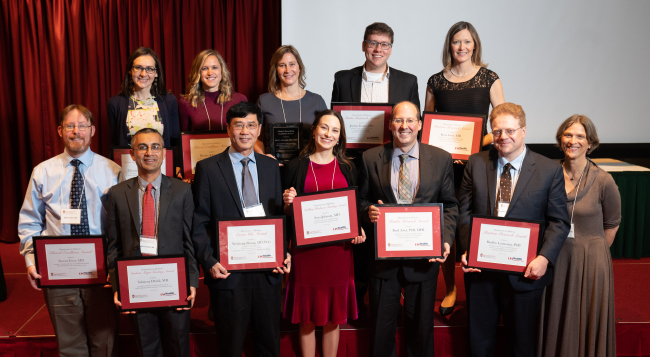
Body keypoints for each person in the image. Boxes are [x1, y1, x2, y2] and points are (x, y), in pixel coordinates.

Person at [458, 103, 570, 357]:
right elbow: (464, 212)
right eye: (497, 131)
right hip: (481, 272)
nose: (503, 137)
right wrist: (467, 248)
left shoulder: (549, 169)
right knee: (479, 344)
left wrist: (544, 258)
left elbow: (559, 221)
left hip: (525, 273)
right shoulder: (476, 163)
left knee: (521, 345)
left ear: (524, 131)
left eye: (510, 130)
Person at [18, 104, 121, 357]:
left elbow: (120, 225)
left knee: (104, 342)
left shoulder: (113, 171)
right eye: (70, 126)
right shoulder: (43, 172)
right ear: (60, 130)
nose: (77, 132)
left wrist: (116, 267)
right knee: (69, 344)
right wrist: (31, 261)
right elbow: (30, 221)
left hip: (101, 272)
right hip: (58, 271)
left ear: (93, 130)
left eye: (82, 126)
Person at [358, 101, 458, 356]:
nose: (404, 126)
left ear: (419, 124)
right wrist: (367, 212)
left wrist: (445, 240)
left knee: (421, 332)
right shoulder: (370, 158)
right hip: (383, 262)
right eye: (398, 121)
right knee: (381, 332)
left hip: (424, 261)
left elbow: (450, 205)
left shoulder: (441, 158)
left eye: (410, 120)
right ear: (391, 125)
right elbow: (361, 200)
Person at [191, 101, 291, 357]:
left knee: (269, 344)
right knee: (231, 346)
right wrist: (209, 260)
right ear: (228, 129)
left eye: (250, 125)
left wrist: (285, 251)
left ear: (259, 130)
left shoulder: (272, 167)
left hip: (267, 271)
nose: (245, 131)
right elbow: (199, 221)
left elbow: (280, 216)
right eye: (238, 125)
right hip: (228, 273)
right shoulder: (208, 168)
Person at [424, 21, 505, 317]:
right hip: (444, 167)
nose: (462, 47)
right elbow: (428, 128)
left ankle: (480, 288)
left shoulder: (489, 78)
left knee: (474, 225)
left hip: (479, 163)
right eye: (456, 42)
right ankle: (450, 288)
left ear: (475, 45)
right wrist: (445, 152)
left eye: (467, 42)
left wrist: (473, 147)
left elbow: (501, 124)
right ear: (450, 45)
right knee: (445, 225)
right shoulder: (436, 81)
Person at [107, 128, 198, 357]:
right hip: (138, 286)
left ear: (164, 153)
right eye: (143, 147)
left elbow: (189, 242)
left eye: (155, 147)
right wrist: (119, 285)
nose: (149, 152)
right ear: (132, 153)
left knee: (178, 348)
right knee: (147, 350)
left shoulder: (183, 190)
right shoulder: (117, 194)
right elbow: (114, 245)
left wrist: (192, 282)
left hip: (174, 284)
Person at [281, 110, 366, 357]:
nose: (328, 134)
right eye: (324, 128)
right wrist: (288, 202)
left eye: (335, 130)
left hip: (338, 252)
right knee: (307, 317)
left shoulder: (348, 167)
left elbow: (354, 205)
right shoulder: (295, 166)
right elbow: (286, 211)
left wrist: (358, 227)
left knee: (333, 316)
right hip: (306, 252)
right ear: (314, 130)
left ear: (340, 137)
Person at [537, 115, 621, 357]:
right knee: (554, 318)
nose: (573, 141)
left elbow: (612, 224)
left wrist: (591, 253)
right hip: (553, 258)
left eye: (580, 136)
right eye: (568, 135)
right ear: (560, 139)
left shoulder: (604, 180)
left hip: (590, 264)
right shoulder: (547, 174)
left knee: (585, 320)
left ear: (590, 143)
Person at [256, 45, 327, 157]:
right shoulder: (264, 101)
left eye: (292, 64)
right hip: (275, 168)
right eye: (282, 65)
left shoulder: (317, 101)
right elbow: (255, 138)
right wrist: (263, 157)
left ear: (299, 67)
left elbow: (327, 136)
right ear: (276, 70)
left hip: (308, 168)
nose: (288, 70)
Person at [331, 22, 420, 109]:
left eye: (384, 44)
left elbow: (415, 120)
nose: (378, 49)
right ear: (363, 46)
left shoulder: (408, 83)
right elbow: (334, 119)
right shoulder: (342, 80)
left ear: (390, 49)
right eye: (373, 43)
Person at [107, 47, 179, 148]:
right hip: (128, 162)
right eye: (138, 68)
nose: (143, 74)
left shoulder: (169, 101)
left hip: (161, 163)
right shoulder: (115, 103)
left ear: (156, 73)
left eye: (149, 69)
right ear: (130, 70)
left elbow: (175, 141)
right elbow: (114, 144)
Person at [179, 49, 248, 132]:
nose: (210, 72)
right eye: (204, 68)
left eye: (214, 67)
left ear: (222, 71)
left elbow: (246, 133)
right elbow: (184, 139)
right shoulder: (186, 103)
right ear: (198, 73)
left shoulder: (239, 100)